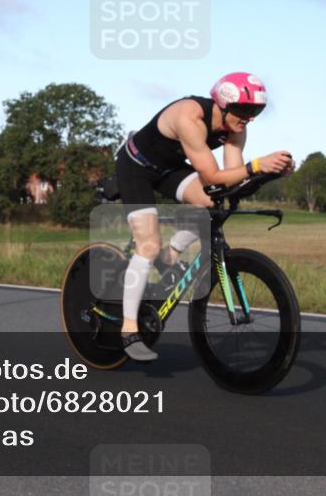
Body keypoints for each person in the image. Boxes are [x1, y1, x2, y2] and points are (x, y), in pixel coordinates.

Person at [115, 72, 294, 362]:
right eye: (245, 110)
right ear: (223, 103)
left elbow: (230, 183)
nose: (249, 118)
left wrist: (267, 173)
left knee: (213, 202)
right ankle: (129, 329)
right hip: (136, 167)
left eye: (256, 111)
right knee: (148, 245)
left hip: (169, 169)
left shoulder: (236, 128)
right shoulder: (189, 116)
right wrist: (257, 164)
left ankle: (171, 254)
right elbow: (211, 175)